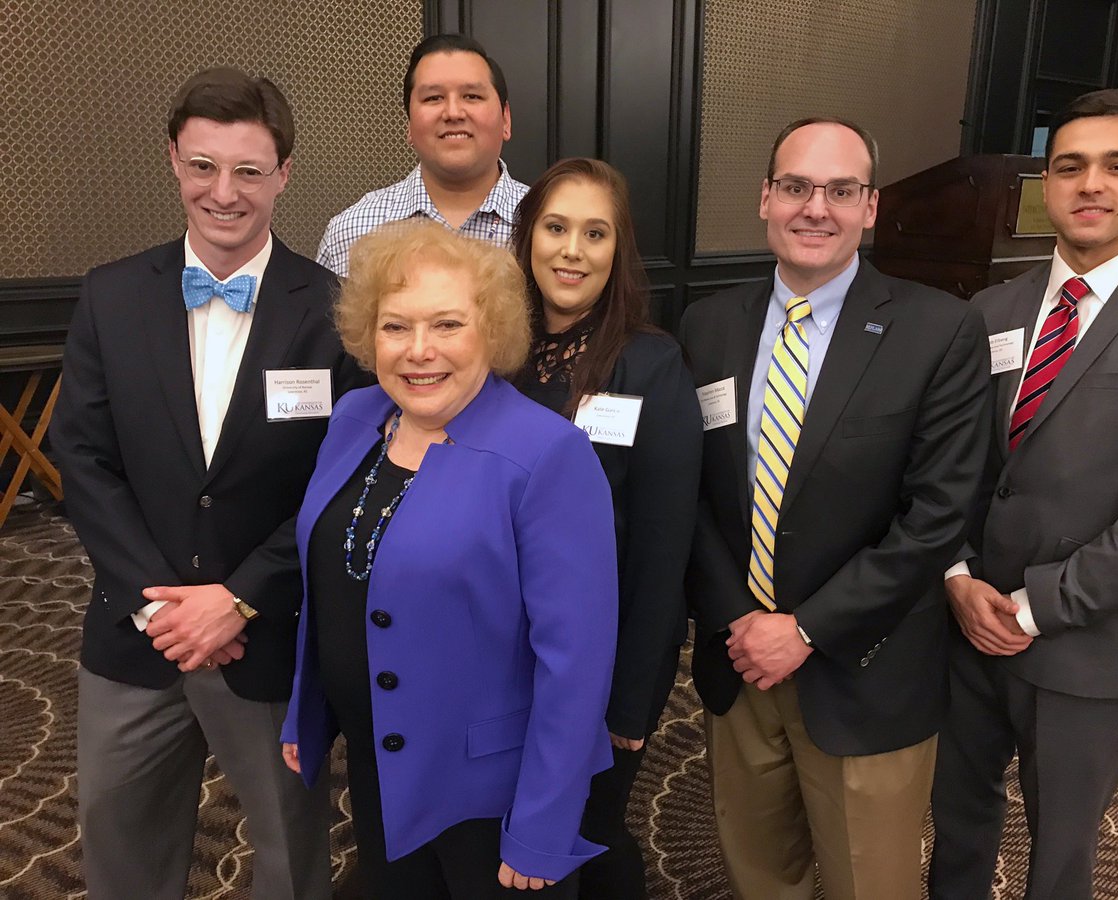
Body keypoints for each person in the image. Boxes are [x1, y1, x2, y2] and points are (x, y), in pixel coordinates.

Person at [52, 67, 364, 899]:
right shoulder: (111, 294)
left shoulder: (335, 310)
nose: (223, 193)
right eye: (203, 166)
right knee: (120, 853)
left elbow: (340, 482)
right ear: (173, 160)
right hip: (137, 635)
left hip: (266, 635)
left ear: (284, 174)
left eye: (248, 171)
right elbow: (82, 458)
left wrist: (240, 597)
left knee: (291, 858)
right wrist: (160, 606)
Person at [678, 117, 991, 900]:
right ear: (765, 197)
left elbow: (938, 516)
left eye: (841, 190)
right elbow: (692, 494)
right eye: (796, 187)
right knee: (758, 873)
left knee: (869, 883)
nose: (815, 208)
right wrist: (737, 619)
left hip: (865, 667)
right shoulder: (707, 326)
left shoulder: (939, 330)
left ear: (870, 206)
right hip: (741, 659)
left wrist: (806, 629)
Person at [280, 221, 618, 898]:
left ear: (491, 332)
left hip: (489, 793)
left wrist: (543, 825)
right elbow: (332, 581)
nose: (419, 350)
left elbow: (576, 664)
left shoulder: (547, 454)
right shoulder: (355, 419)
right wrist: (306, 708)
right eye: (395, 326)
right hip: (378, 763)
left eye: (447, 325)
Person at [929, 89, 1118, 900]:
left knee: (1061, 856)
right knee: (956, 825)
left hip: (1084, 639)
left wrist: (1033, 608)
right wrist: (956, 575)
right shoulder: (993, 309)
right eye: (1070, 167)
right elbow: (953, 464)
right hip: (967, 623)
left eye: (1117, 166)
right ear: (1044, 184)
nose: (1090, 185)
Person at [510, 158, 703, 899]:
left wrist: (630, 696)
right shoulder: (493, 351)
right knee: (510, 827)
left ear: (618, 250)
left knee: (585, 830)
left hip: (600, 657)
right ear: (528, 237)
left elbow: (662, 546)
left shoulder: (651, 364)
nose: (572, 251)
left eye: (595, 234)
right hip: (504, 648)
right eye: (556, 228)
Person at [317, 34, 528, 275]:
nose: (453, 113)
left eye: (472, 96)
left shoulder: (546, 224)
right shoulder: (349, 232)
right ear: (409, 125)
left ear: (505, 119)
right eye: (433, 98)